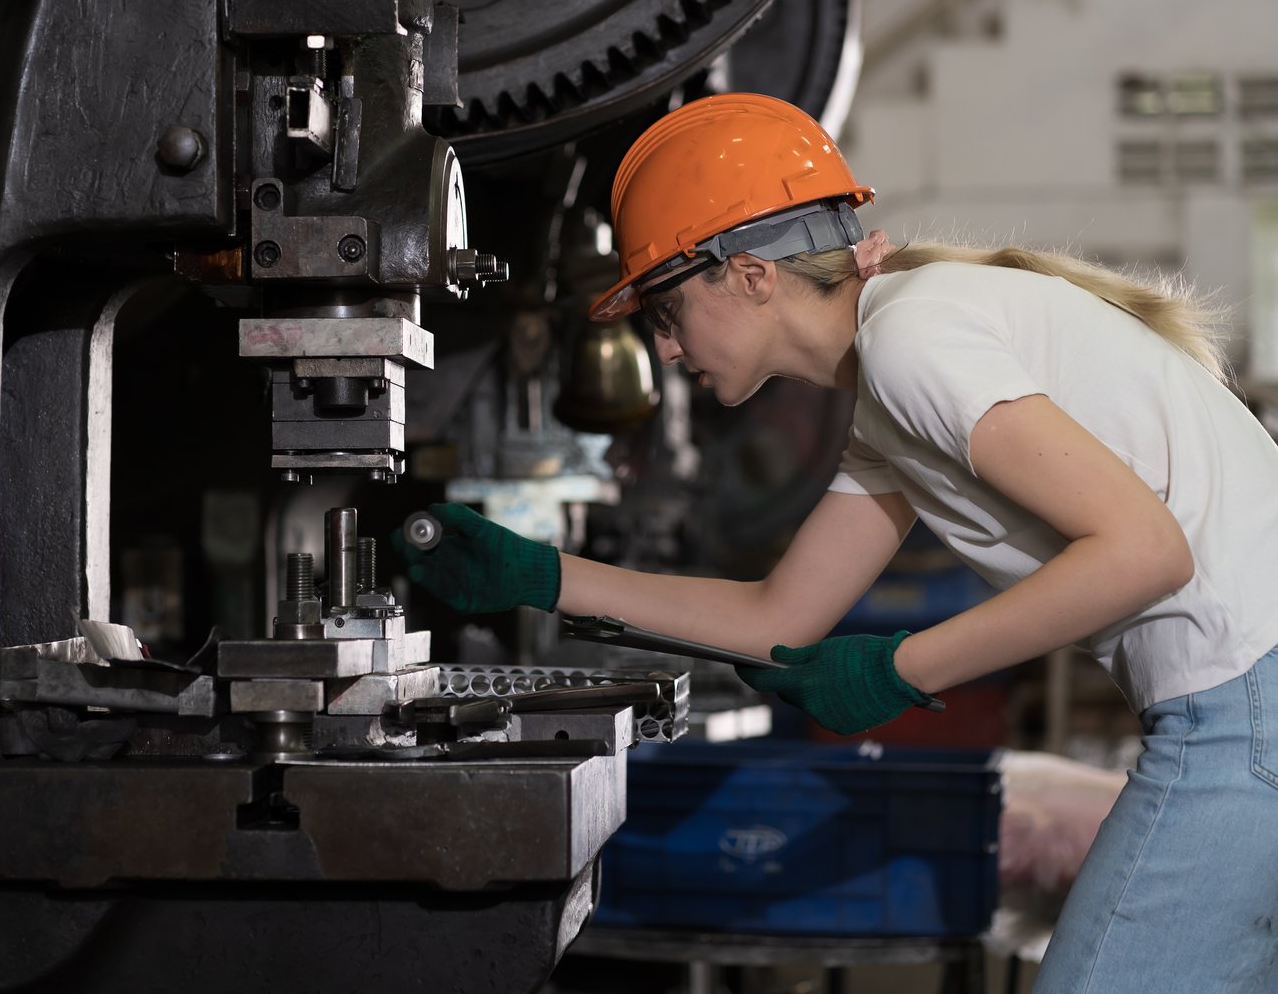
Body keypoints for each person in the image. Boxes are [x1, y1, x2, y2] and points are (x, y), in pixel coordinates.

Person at [396, 93, 1278, 992]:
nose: (664, 351)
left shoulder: (910, 341)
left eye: (666, 311)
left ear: (748, 275)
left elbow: (1144, 550)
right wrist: (541, 576)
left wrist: (900, 669)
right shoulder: (890, 392)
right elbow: (778, 618)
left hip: (1245, 708)